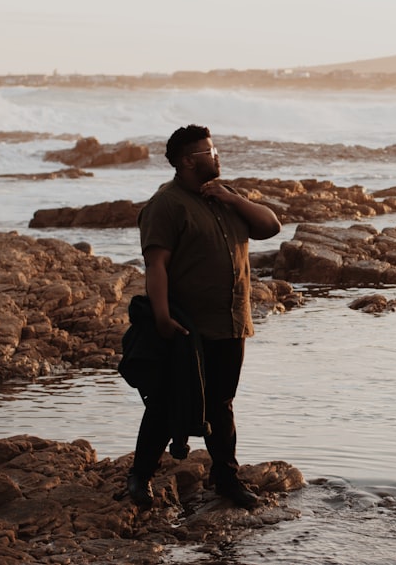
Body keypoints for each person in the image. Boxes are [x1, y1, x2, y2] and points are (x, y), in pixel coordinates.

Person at [126, 124, 282, 510]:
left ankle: (226, 479)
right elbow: (156, 265)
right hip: (188, 328)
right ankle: (139, 478)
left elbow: (271, 226)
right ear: (185, 162)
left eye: (215, 150)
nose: (216, 157)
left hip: (231, 322)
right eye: (208, 153)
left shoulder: (224, 198)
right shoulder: (167, 204)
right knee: (166, 403)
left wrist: (233, 200)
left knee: (222, 404)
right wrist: (162, 318)